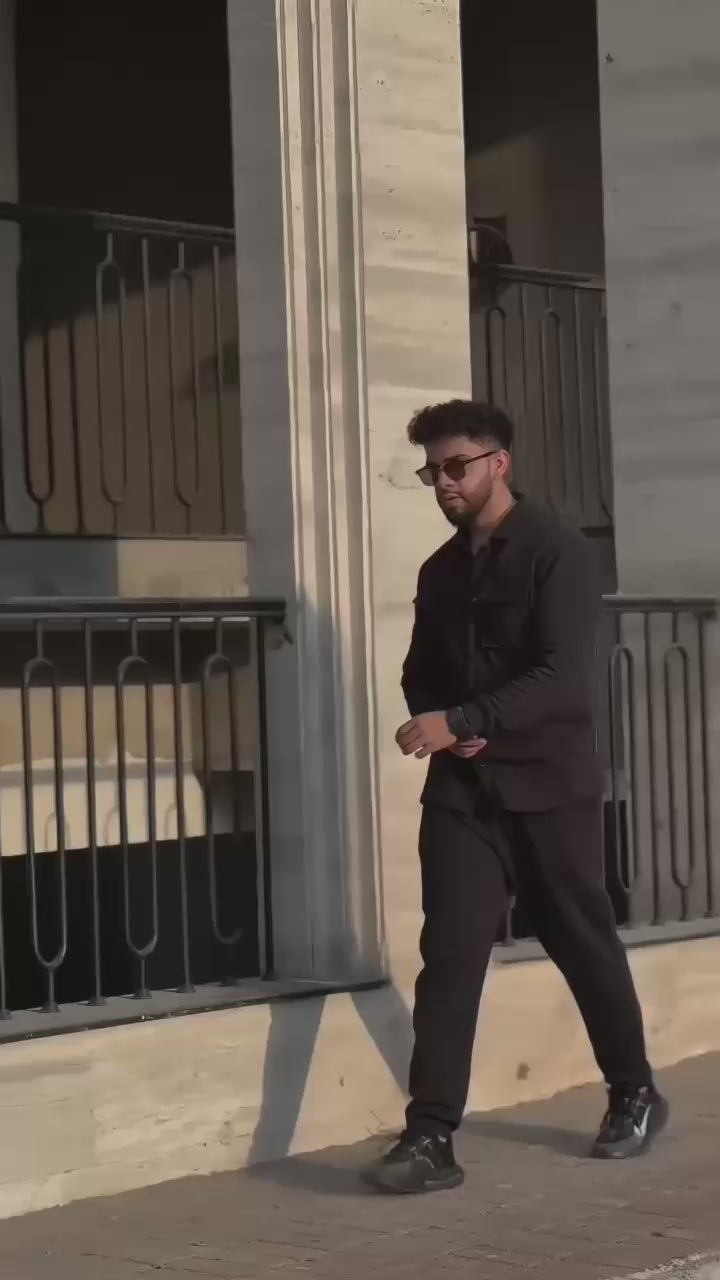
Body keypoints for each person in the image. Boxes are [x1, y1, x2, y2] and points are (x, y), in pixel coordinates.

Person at [367, 399, 668, 1196]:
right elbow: (420, 672)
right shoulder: (439, 570)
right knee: (450, 958)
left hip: (548, 787)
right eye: (432, 470)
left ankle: (634, 1092)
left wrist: (469, 720)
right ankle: (430, 1136)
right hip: (463, 795)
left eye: (455, 466)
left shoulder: (558, 553)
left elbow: (562, 675)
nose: (442, 482)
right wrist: (447, 724)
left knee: (582, 941)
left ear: (498, 462)